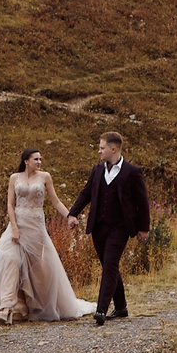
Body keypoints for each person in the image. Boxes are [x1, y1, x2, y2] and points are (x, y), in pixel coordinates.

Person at [0, 148, 91, 324]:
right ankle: (6, 307)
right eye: (36, 159)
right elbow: (10, 204)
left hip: (35, 228)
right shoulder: (15, 178)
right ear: (26, 161)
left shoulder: (45, 177)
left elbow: (56, 201)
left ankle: (29, 307)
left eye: (40, 159)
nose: (39, 162)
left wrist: (70, 216)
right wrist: (14, 228)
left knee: (37, 270)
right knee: (9, 259)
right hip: (17, 226)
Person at [64, 130, 150, 326]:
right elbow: (86, 193)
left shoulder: (132, 172)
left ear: (113, 148)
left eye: (102, 148)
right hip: (98, 227)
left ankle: (101, 310)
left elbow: (142, 201)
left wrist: (143, 227)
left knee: (110, 265)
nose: (99, 151)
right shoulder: (97, 170)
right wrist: (73, 213)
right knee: (109, 266)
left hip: (120, 227)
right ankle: (121, 307)